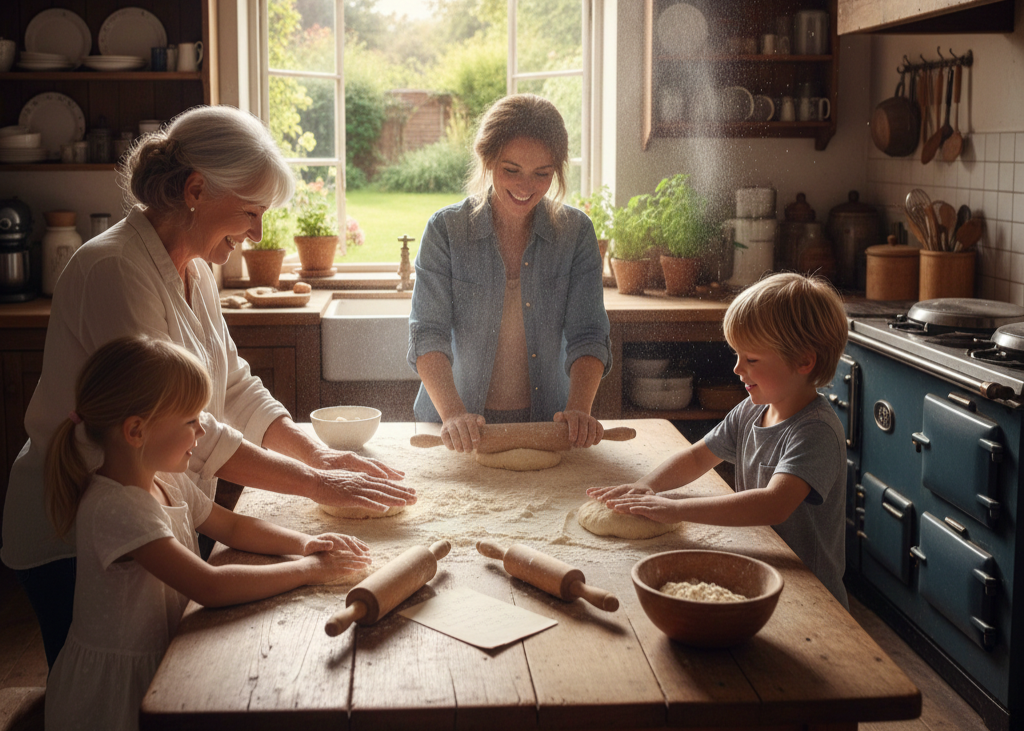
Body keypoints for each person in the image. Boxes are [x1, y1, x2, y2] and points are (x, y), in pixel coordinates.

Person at [1, 105, 414, 669]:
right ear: (195, 189)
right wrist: (319, 484)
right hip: (72, 530)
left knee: (163, 676)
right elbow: (178, 419)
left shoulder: (194, 267)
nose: (257, 234)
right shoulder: (113, 269)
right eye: (250, 213)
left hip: (162, 506)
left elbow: (234, 384)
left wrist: (319, 455)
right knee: (102, 683)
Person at [42, 336, 371, 731]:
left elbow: (231, 525)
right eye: (190, 421)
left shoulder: (164, 479)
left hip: (163, 654)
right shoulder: (117, 508)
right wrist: (311, 571)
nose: (201, 431)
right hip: (113, 696)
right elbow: (210, 586)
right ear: (135, 431)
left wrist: (303, 544)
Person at [587, 272, 850, 607]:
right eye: (738, 355)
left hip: (810, 592)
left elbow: (774, 504)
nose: (738, 369)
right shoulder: (753, 411)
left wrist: (676, 509)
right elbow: (698, 457)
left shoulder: (815, 432)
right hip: (760, 569)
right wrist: (646, 486)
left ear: (804, 361)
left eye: (752, 359)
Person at [408, 94, 611, 452]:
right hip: (452, 429)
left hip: (547, 425)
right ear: (487, 160)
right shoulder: (445, 231)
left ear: (557, 171)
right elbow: (428, 335)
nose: (525, 186)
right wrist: (455, 415)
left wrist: (578, 409)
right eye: (511, 170)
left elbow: (589, 335)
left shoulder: (576, 233)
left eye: (542, 174)